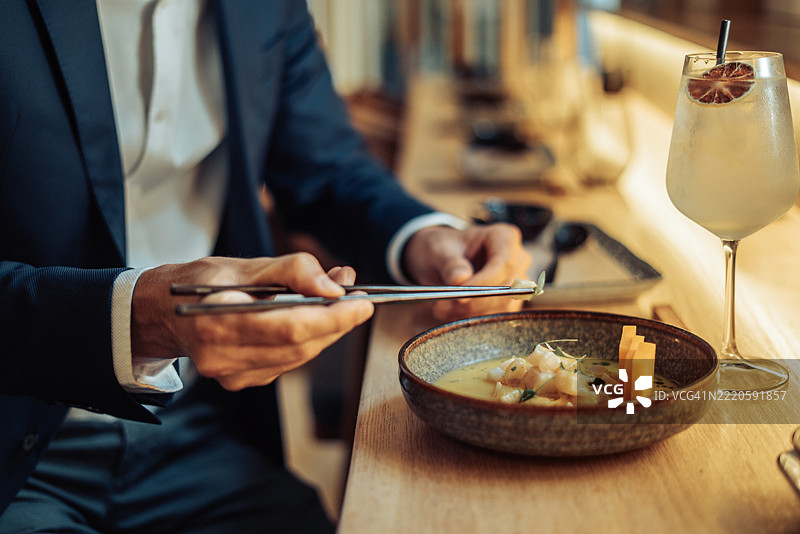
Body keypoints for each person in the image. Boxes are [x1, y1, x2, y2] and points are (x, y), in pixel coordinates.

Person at [0, 1, 531, 532]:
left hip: (196, 430)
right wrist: (141, 321)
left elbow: (327, 170)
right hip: (19, 452)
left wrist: (428, 239)